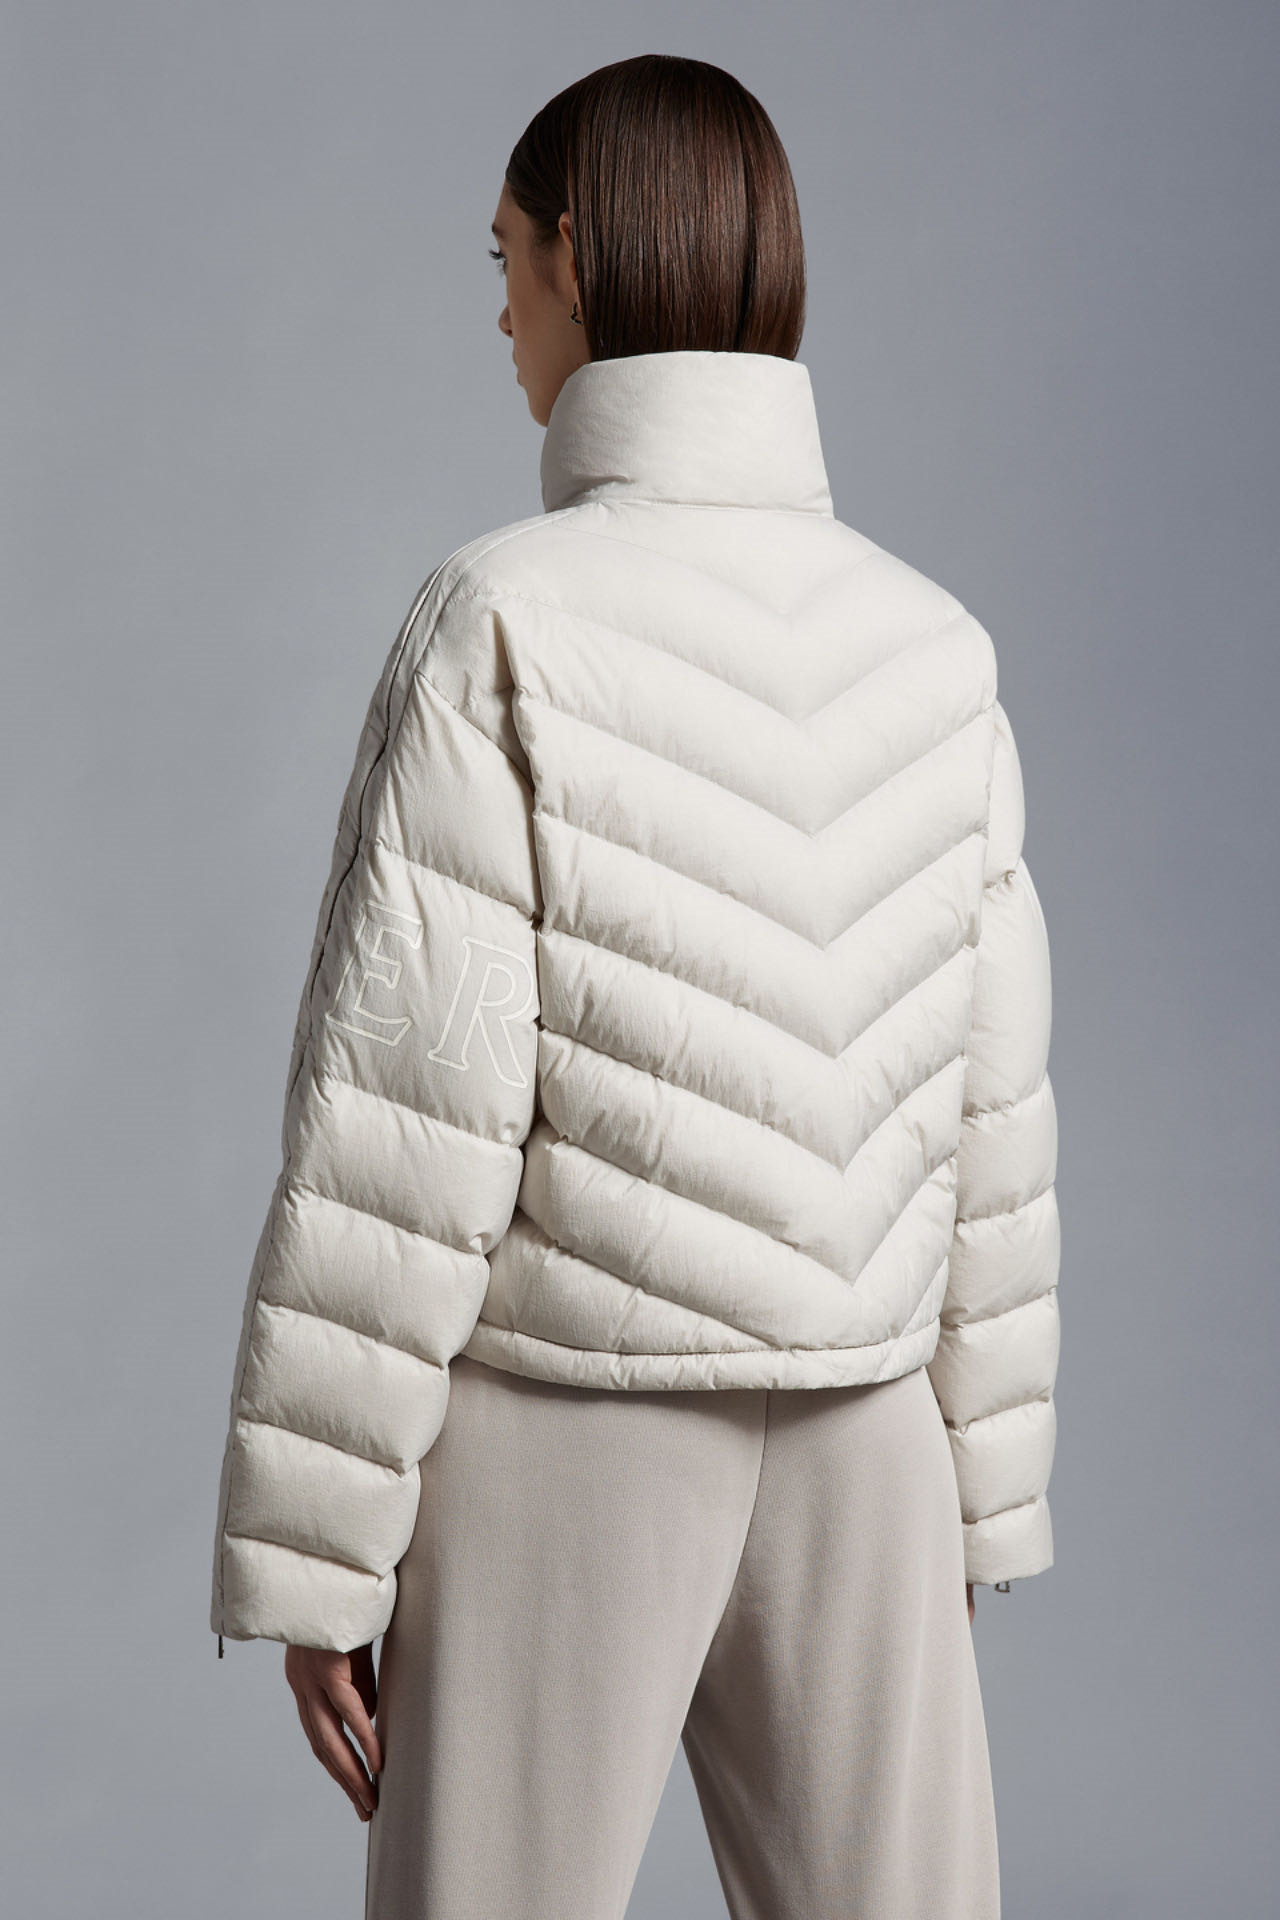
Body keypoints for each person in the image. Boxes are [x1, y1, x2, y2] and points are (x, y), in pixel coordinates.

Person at [210, 53, 1060, 1920]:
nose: (498, 311)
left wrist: (325, 1554)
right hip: (870, 1438)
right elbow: (993, 1114)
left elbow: (409, 1115)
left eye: (504, 258)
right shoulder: (939, 648)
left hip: (563, 1429)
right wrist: (983, 1492)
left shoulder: (499, 617)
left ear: (580, 259)